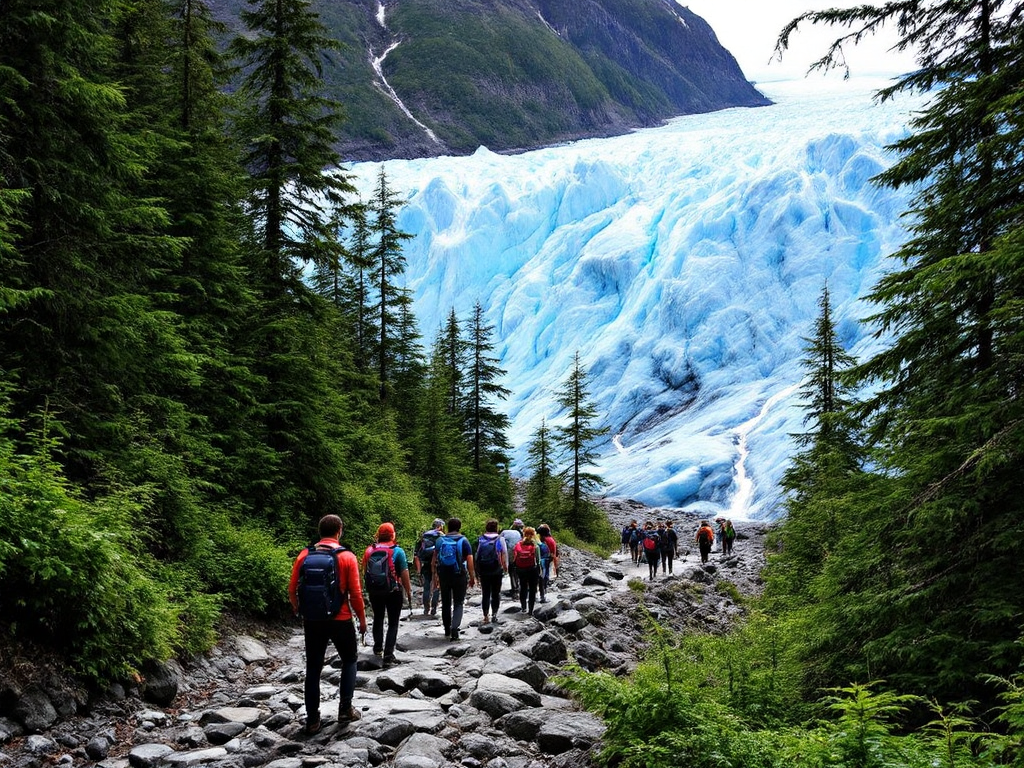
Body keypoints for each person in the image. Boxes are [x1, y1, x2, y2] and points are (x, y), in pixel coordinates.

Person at [288, 514, 367, 735]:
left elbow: (292, 588)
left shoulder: (305, 555)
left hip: (313, 620)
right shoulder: (347, 557)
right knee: (349, 660)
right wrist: (362, 620)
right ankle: (345, 709)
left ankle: (313, 720)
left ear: (320, 531)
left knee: (313, 667)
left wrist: (298, 608)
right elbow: (356, 595)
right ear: (339, 531)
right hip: (341, 619)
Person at [361, 522, 413, 666]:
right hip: (393, 591)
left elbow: (364, 572)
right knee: (393, 622)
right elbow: (404, 573)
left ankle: (378, 648)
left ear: (378, 534)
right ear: (392, 535)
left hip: (374, 590)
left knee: (378, 617)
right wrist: (408, 591)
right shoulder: (398, 551)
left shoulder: (369, 551)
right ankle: (388, 655)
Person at [432, 517, 476, 640]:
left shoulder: (440, 540)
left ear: (448, 527)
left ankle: (447, 629)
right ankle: (454, 628)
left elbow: (434, 560)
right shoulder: (464, 540)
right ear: (459, 527)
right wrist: (472, 577)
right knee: (458, 603)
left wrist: (435, 576)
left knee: (446, 602)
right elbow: (470, 560)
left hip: (443, 575)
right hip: (459, 575)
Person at [475, 518, 507, 624]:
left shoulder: (481, 539)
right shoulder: (500, 539)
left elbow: (477, 555)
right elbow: (504, 553)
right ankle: (494, 614)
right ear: (496, 528)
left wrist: (477, 569)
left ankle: (485, 616)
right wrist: (505, 567)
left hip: (484, 569)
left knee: (485, 593)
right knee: (496, 593)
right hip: (496, 569)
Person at [414, 518, 444, 616]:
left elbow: (416, 555)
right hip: (437, 564)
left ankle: (426, 608)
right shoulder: (441, 536)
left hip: (426, 564)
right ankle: (434, 608)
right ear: (440, 526)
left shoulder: (424, 536)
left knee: (426, 586)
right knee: (436, 586)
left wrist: (418, 570)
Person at [511, 526, 542, 614]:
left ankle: (523, 607)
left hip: (521, 569)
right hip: (532, 569)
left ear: (524, 534)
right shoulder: (535, 545)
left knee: (523, 587)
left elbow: (514, 557)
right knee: (532, 589)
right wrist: (539, 570)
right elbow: (538, 560)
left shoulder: (518, 544)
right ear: (533, 535)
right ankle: (530, 610)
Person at [500, 519, 524, 596]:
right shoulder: (521, 533)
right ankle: (519, 588)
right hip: (520, 554)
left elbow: (499, 542)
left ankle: (515, 589)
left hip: (510, 553)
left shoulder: (504, 532)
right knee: (518, 571)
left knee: (512, 571)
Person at [536, 523, 559, 602]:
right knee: (544, 578)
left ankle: (535, 595)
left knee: (537, 578)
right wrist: (555, 566)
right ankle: (543, 595)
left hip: (536, 562)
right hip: (546, 561)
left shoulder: (537, 540)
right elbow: (554, 554)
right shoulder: (550, 540)